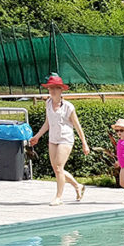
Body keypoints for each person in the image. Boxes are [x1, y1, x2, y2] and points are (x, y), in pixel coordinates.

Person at [28, 74, 90, 206]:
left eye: (56, 88)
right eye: (50, 88)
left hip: (66, 139)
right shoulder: (48, 103)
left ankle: (59, 197)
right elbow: (47, 123)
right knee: (57, 169)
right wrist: (37, 136)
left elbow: (77, 126)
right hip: (53, 139)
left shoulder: (68, 107)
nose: (52, 90)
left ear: (61, 90)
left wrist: (84, 143)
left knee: (58, 167)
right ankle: (78, 186)